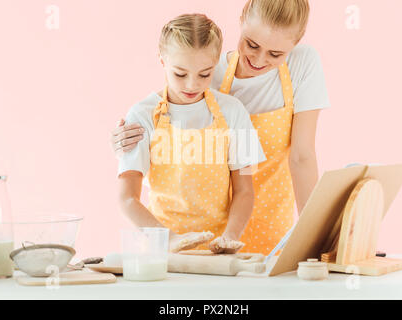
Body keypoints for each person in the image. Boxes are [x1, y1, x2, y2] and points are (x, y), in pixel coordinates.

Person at [112, 0, 330, 255]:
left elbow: (302, 156)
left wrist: (313, 235)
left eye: (276, 54)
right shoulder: (205, 69)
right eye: (252, 44)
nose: (259, 60)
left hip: (267, 221)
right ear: (242, 20)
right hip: (199, 230)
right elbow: (173, 155)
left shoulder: (299, 66)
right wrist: (125, 144)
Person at [117, 14, 266, 253]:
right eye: (180, 74)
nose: (192, 85)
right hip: (162, 253)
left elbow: (245, 190)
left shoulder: (235, 111)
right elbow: (126, 199)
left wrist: (230, 237)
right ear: (162, 60)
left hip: (217, 253)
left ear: (216, 63)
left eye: (205, 74)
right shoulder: (141, 115)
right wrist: (168, 240)